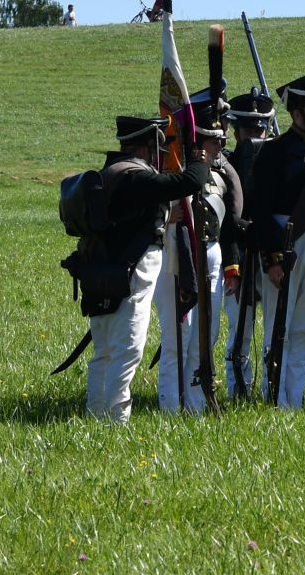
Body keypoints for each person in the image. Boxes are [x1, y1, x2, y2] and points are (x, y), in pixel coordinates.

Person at [76, 115, 211, 422]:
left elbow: (132, 220)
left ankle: (97, 415)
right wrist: (198, 159)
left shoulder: (113, 172)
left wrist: (163, 218)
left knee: (105, 352)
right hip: (130, 273)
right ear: (148, 147)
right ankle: (116, 421)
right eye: (157, 147)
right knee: (128, 350)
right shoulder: (134, 176)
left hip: (105, 270)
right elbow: (188, 182)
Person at [250, 68, 305, 408]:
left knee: (303, 324)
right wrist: (272, 256)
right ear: (297, 113)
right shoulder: (274, 152)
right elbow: (260, 210)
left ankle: (295, 397)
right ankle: (274, 397)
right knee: (278, 325)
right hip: (283, 238)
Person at [152, 90, 243, 413]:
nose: (220, 145)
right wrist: (165, 216)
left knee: (207, 336)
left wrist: (232, 266)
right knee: (179, 335)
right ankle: (170, 405)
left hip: (211, 252)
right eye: (213, 140)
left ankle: (194, 404)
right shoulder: (167, 169)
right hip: (176, 256)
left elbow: (230, 222)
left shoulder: (220, 173)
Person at [221, 88, 272, 395]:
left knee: (274, 332)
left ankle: (271, 388)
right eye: (251, 128)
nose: (258, 133)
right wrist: (233, 267)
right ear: (237, 131)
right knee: (239, 333)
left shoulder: (275, 161)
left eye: (262, 127)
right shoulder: (227, 166)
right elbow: (227, 222)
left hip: (270, 253)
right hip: (238, 255)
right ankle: (236, 389)